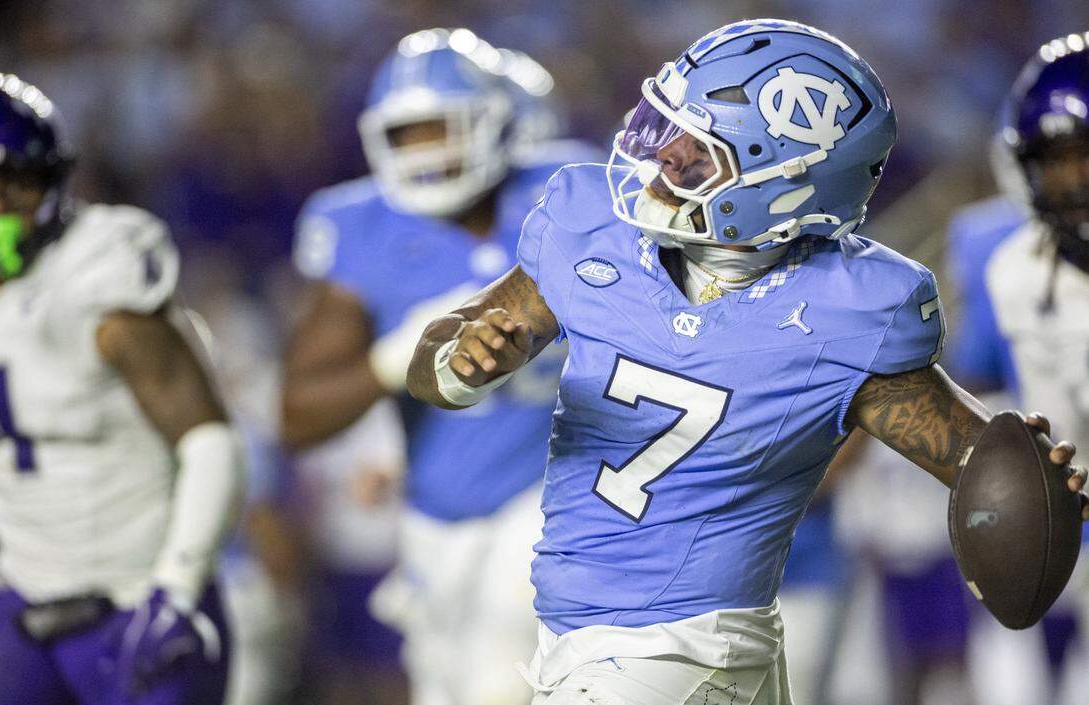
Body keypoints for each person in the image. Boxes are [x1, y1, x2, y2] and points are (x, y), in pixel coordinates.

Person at [405, 20, 1087, 704]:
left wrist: (1030, 480)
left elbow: (975, 455)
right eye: (667, 130)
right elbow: (444, 354)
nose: (664, 159)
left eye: (698, 153)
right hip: (611, 637)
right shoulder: (593, 226)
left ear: (783, 182)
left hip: (680, 648)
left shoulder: (845, 306)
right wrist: (458, 361)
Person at [282, 28, 600, 705]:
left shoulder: (565, 192)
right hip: (435, 513)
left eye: (442, 128)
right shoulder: (360, 225)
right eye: (410, 134)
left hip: (553, 496)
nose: (427, 151)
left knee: (499, 676)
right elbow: (297, 414)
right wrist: (390, 361)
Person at [0, 74, 244, 705]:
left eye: (18, 182)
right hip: (21, 589)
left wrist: (179, 587)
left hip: (139, 593)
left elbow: (210, 440)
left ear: (54, 182)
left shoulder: (101, 277)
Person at [985, 32, 1089, 705]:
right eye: (1055, 162)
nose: (1074, 180)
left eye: (1088, 157)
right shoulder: (1020, 272)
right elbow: (1068, 446)